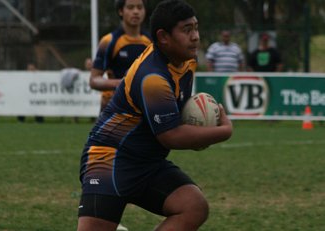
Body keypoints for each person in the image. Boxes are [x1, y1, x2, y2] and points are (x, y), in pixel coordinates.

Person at [77, 0, 233, 231]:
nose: (195, 36)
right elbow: (170, 135)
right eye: (187, 30)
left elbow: (175, 116)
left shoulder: (188, 60)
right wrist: (222, 131)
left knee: (193, 206)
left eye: (196, 28)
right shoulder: (153, 79)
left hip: (147, 163)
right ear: (163, 37)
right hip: (109, 160)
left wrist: (199, 131)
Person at [90, 0, 152, 114]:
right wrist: (122, 83)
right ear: (120, 11)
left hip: (142, 108)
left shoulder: (152, 42)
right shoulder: (108, 41)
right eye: (130, 7)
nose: (136, 12)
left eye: (139, 7)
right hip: (113, 108)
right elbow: (94, 80)